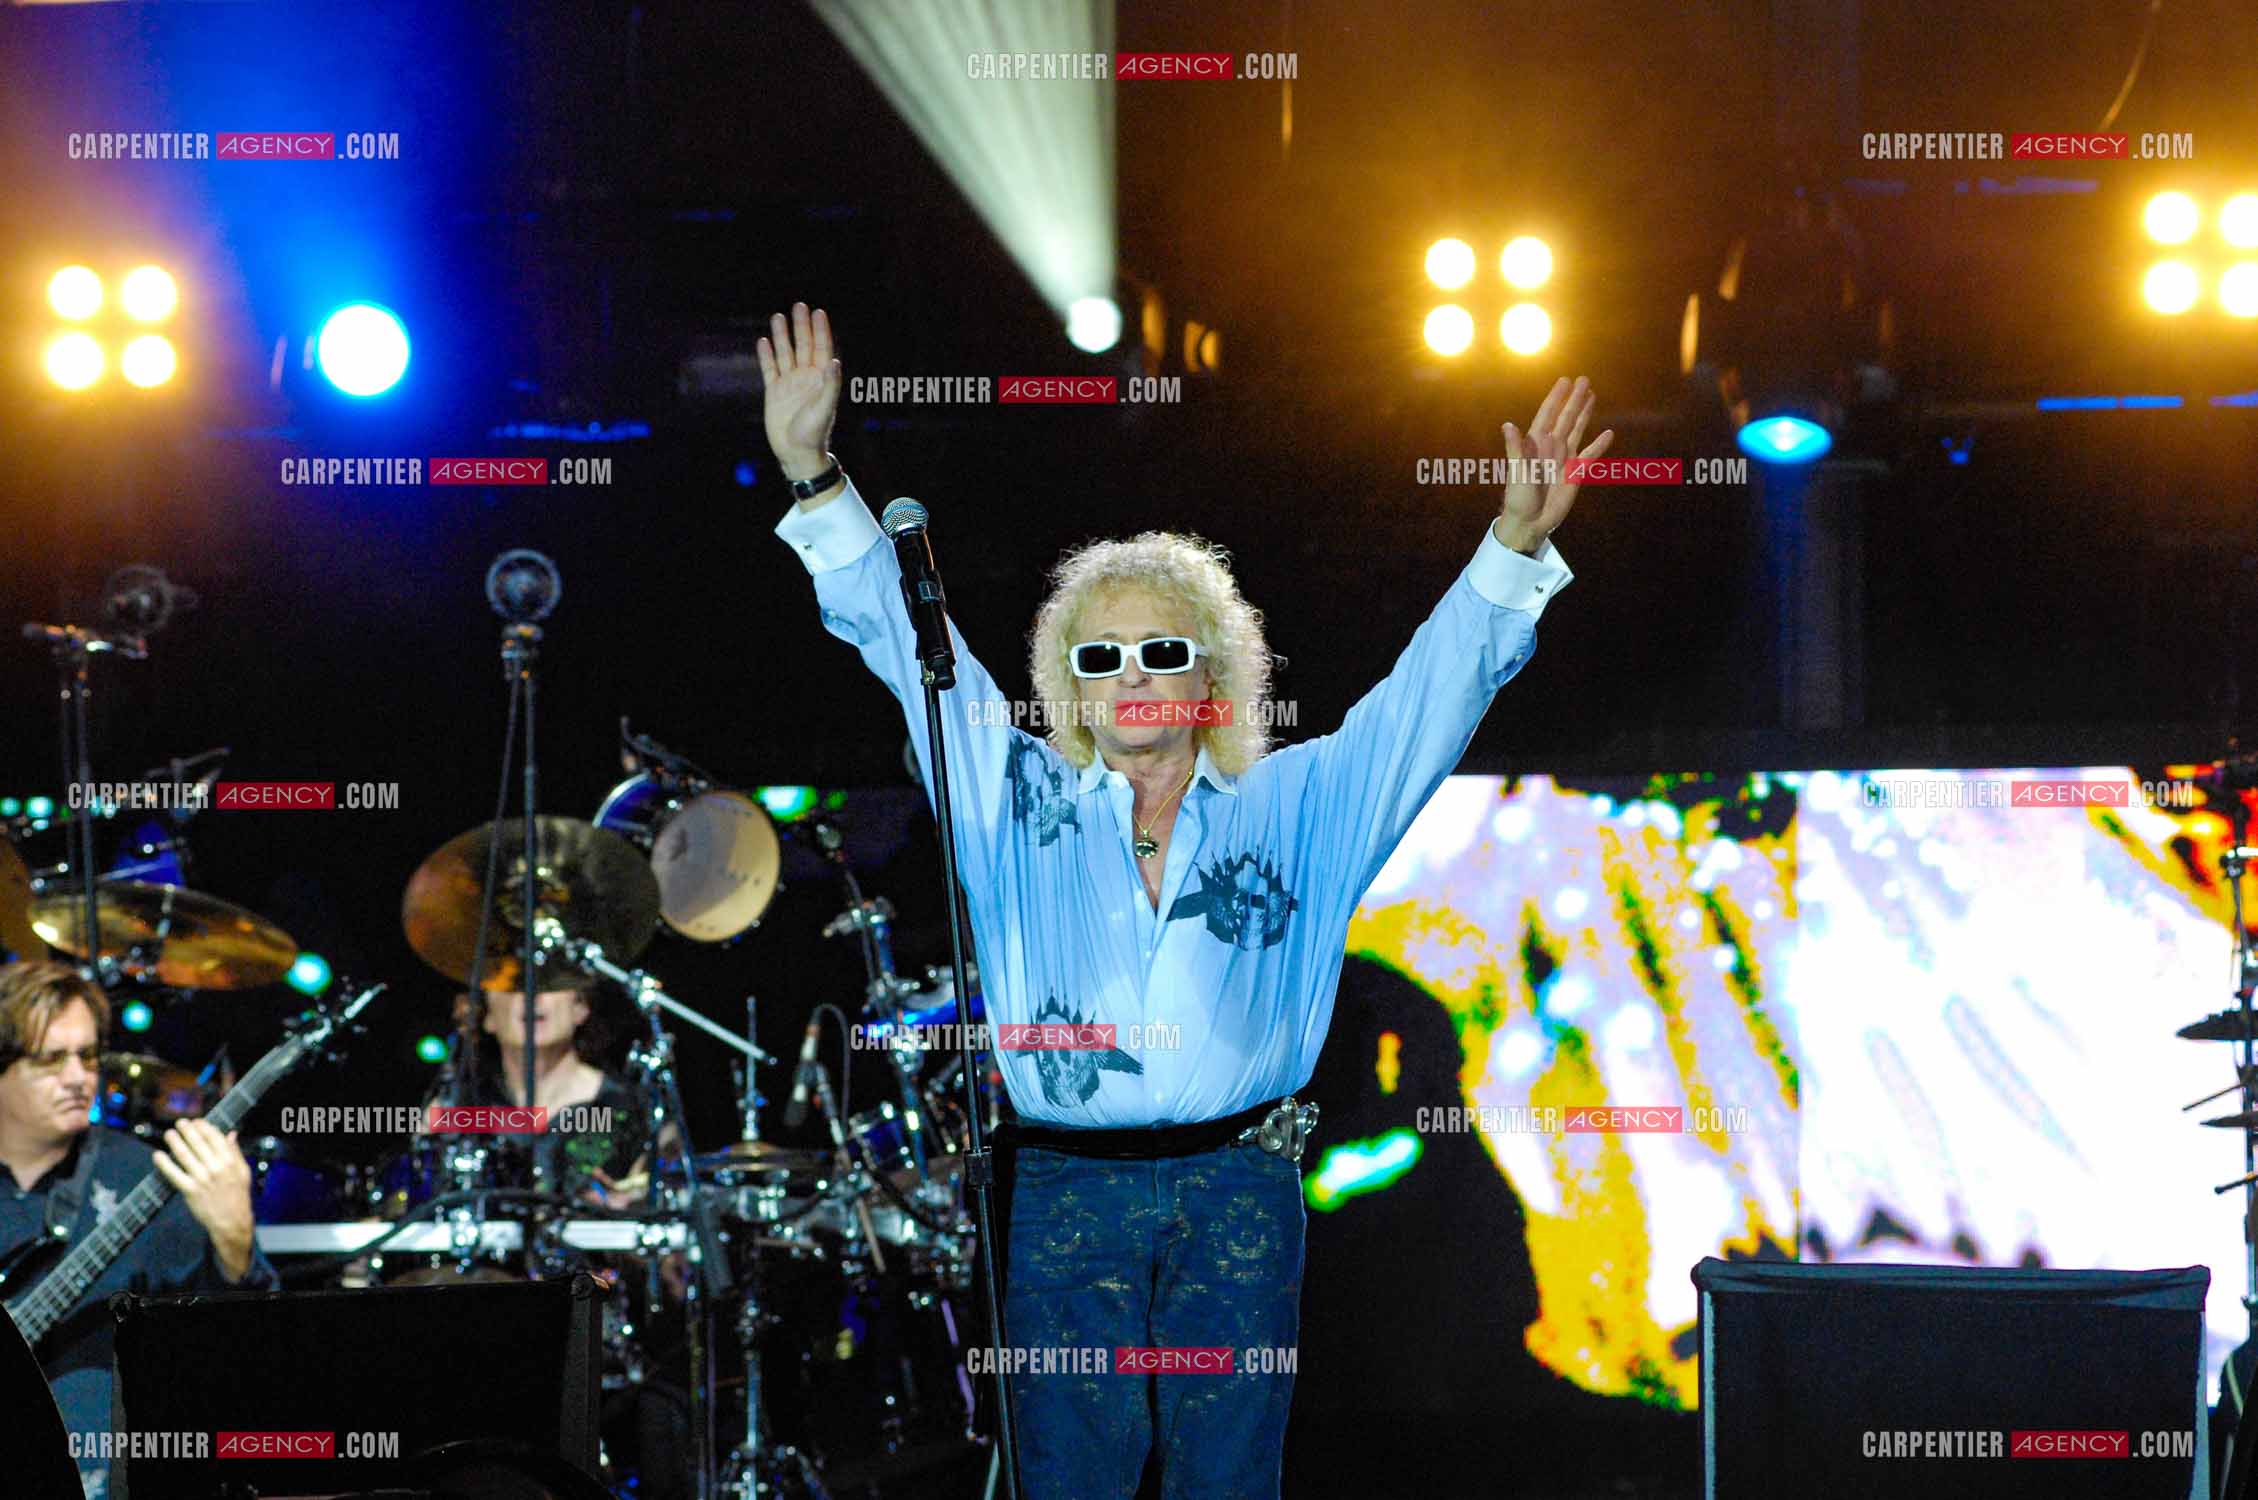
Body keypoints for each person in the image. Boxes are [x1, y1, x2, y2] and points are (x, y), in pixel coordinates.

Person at [757, 301, 1609, 1498]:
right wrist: (813, 472)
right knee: (1068, 1484)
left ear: (1212, 677)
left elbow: (1428, 698)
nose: (1133, 674)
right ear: (1070, 689)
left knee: (1226, 1480)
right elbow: (908, 640)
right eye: (1100, 657)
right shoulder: (1009, 796)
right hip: (1063, 1187)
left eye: (1163, 650)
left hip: (1239, 1186)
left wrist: (1510, 550)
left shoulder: (1296, 808)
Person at [0, 959, 278, 1499]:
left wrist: (235, 1245)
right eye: (51, 1059)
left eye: (87, 1055)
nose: (79, 1077)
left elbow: (248, 1361)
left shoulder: (149, 1179)